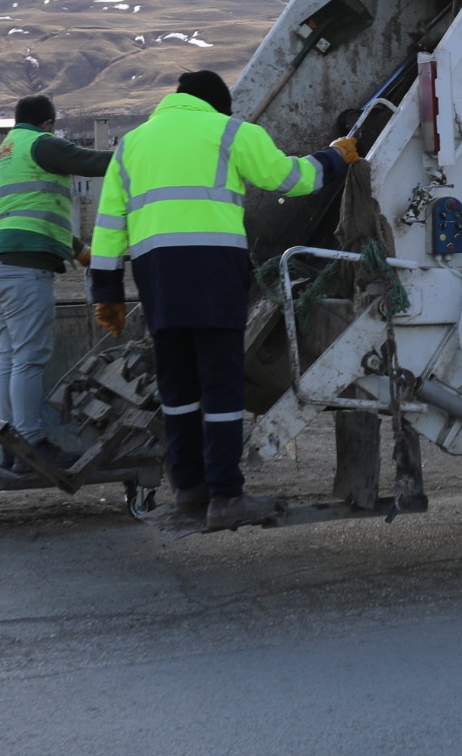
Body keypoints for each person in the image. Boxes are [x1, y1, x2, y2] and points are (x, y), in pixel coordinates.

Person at [89, 70, 353, 533]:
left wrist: (107, 294)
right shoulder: (230, 132)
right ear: (217, 105)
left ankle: (190, 495)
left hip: (158, 280)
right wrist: (335, 158)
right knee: (221, 389)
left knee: (178, 392)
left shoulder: (130, 145)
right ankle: (227, 497)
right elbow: (291, 179)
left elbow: (109, 225)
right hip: (212, 272)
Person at [0, 94, 112, 475]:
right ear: (49, 123)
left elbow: (27, 215)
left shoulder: (1, 156)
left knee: (10, 358)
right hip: (24, 269)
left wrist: (81, 252)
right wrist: (140, 150)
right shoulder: (41, 144)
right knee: (30, 359)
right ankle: (32, 444)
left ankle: (11, 445)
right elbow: (93, 162)